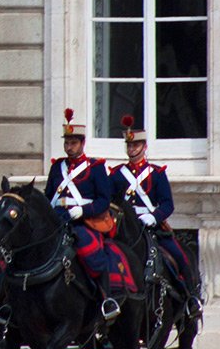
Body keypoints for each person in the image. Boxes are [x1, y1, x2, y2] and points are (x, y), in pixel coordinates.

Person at [44, 107, 134, 322]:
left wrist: (82, 211)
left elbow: (104, 200)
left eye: (73, 143)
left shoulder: (95, 167)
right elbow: (48, 195)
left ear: (82, 143)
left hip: (84, 222)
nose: (69, 147)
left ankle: (106, 299)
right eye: (66, 143)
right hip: (58, 219)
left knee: (90, 251)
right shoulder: (57, 168)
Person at [111, 115, 197, 313]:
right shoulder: (116, 174)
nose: (131, 150)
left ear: (144, 147)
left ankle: (191, 298)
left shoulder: (156, 174)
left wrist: (153, 217)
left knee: (180, 256)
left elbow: (168, 205)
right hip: (125, 227)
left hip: (152, 227)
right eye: (129, 146)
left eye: (135, 145)